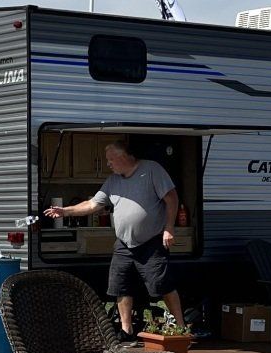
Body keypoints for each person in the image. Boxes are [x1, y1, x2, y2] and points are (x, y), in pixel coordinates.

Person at [44, 139, 184, 337]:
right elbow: (92, 205)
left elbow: (172, 198)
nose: (108, 164)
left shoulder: (152, 170)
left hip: (151, 241)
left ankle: (181, 327)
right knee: (120, 285)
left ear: (123, 157)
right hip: (124, 244)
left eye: (111, 159)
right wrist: (64, 211)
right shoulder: (113, 181)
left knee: (162, 284)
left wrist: (169, 228)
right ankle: (126, 330)